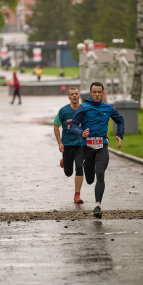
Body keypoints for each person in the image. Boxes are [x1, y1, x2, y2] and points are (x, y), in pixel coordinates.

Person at [70, 82, 124, 219]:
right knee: (89, 179)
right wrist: (81, 132)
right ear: (90, 93)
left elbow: (120, 120)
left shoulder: (108, 108)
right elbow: (73, 125)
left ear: (103, 93)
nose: (97, 94)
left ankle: (97, 205)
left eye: (99, 92)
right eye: (94, 92)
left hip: (102, 145)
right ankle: (89, 175)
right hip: (87, 147)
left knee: (100, 173)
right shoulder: (84, 107)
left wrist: (119, 135)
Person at [53, 87, 84, 204]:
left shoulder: (84, 110)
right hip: (67, 145)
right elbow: (56, 125)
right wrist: (60, 143)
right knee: (68, 173)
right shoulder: (63, 111)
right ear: (69, 97)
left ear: (79, 95)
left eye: (76, 94)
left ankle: (77, 194)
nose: (74, 96)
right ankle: (65, 162)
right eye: (72, 94)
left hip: (80, 145)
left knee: (80, 166)